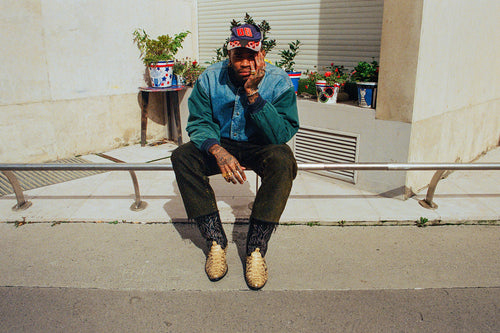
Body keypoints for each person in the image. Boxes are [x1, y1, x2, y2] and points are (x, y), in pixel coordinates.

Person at [171, 23, 299, 290]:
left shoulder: (279, 81)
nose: (244, 62)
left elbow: (281, 133)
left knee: (283, 160)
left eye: (250, 55)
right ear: (228, 53)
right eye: (237, 55)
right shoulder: (209, 78)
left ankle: (255, 249)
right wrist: (217, 150)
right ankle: (216, 242)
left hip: (261, 143)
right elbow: (199, 122)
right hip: (222, 142)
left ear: (261, 54)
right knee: (183, 156)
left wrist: (253, 94)